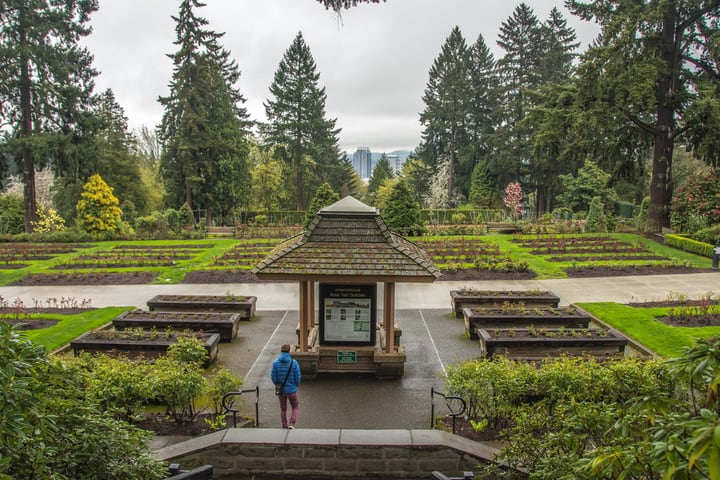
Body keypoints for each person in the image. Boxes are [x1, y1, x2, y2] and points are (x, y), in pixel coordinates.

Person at [270, 343, 301, 429]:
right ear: (289, 351)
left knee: (283, 409)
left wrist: (277, 384)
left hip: (281, 390)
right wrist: (296, 385)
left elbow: (273, 377)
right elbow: (297, 377)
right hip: (292, 390)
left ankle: (284, 425)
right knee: (295, 406)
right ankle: (292, 423)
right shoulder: (294, 363)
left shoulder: (275, 363)